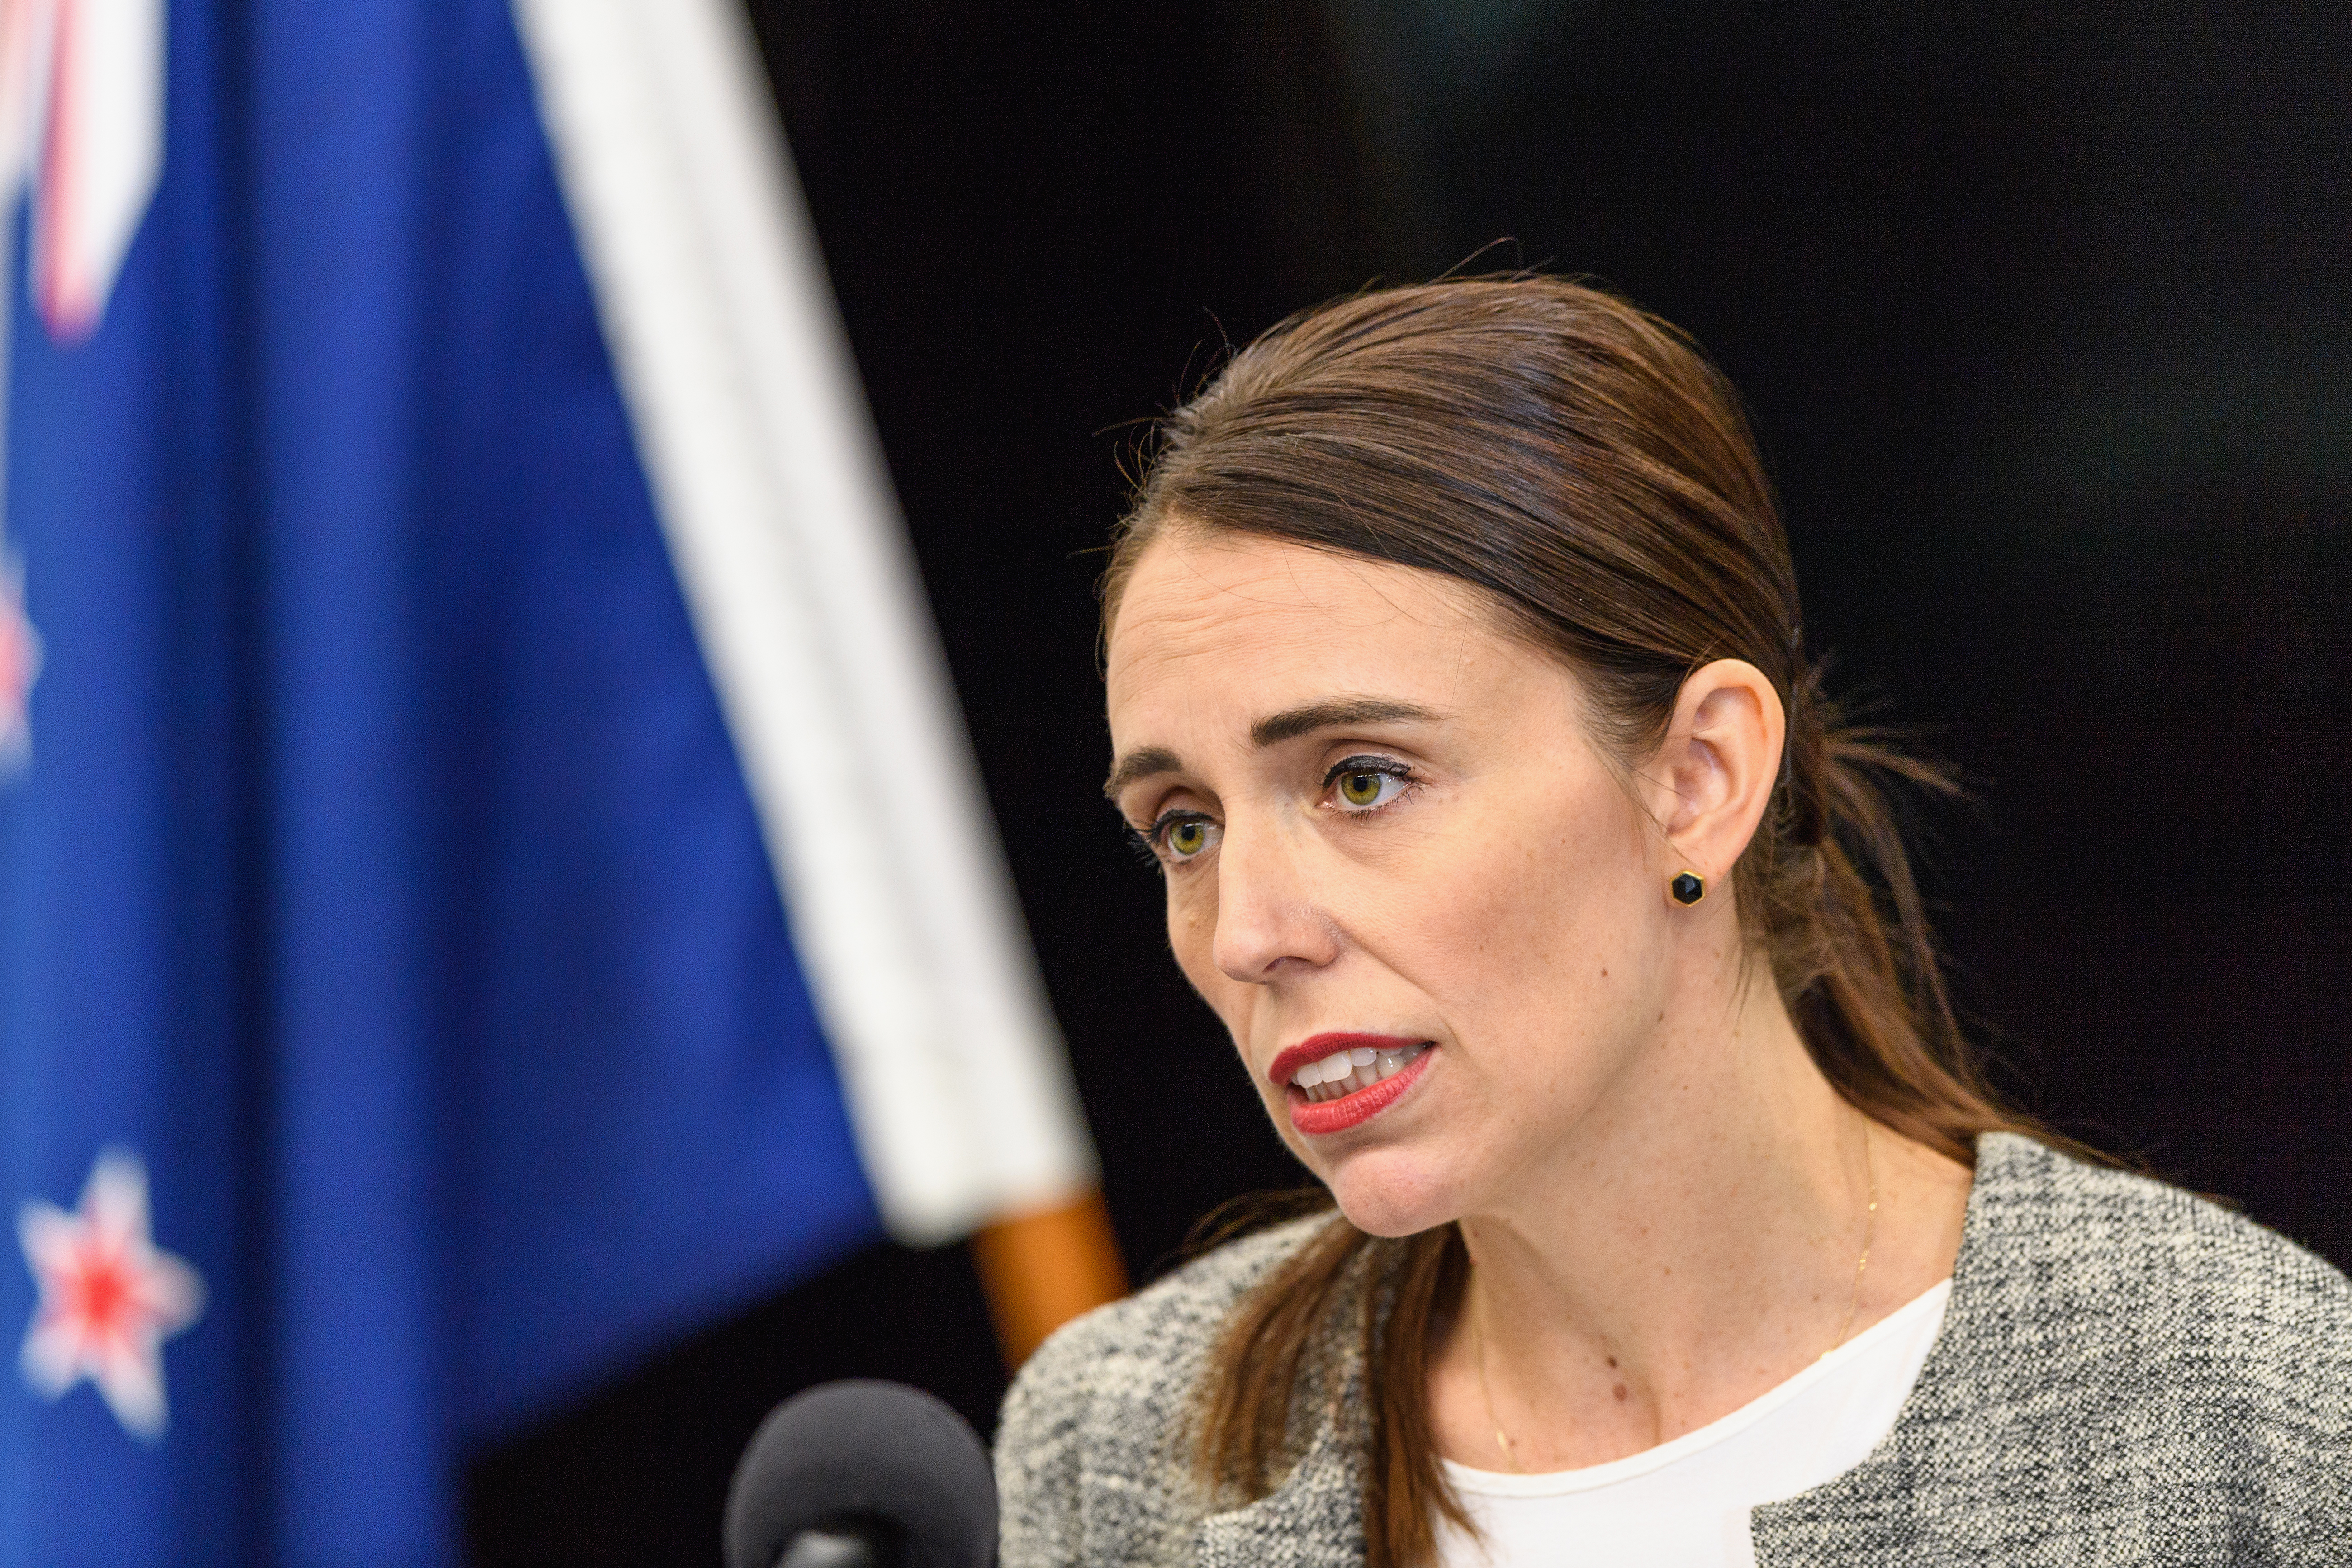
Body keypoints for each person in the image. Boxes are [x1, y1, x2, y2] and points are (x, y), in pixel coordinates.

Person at [994, 278, 2351, 1568]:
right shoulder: (1116, 1448)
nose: (1247, 931)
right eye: (1186, 825)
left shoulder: (2259, 1421)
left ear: (1699, 778)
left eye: (1363, 779)